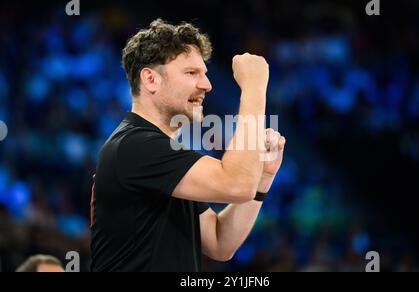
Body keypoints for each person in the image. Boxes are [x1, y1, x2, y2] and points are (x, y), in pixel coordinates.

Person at [90, 19, 286, 272]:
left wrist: (262, 178)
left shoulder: (161, 155)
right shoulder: (134, 146)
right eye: (191, 73)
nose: (207, 85)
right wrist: (254, 87)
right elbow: (236, 184)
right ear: (150, 79)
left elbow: (220, 243)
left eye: (204, 73)